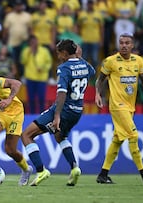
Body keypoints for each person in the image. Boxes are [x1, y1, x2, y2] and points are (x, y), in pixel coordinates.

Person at [21, 39, 95, 186]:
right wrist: (79, 57)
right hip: (77, 111)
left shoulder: (64, 68)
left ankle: (41, 170)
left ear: (65, 53)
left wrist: (56, 115)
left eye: (59, 53)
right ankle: (74, 168)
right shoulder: (85, 65)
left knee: (26, 135)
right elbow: (92, 72)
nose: (58, 56)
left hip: (64, 109)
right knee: (60, 136)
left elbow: (61, 92)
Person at [94, 33, 143, 184]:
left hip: (130, 106)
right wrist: (98, 94)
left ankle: (103, 174)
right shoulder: (110, 61)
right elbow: (100, 79)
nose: (123, 45)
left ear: (132, 45)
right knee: (134, 136)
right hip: (117, 106)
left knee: (117, 140)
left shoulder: (138, 61)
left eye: (127, 43)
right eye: (121, 42)